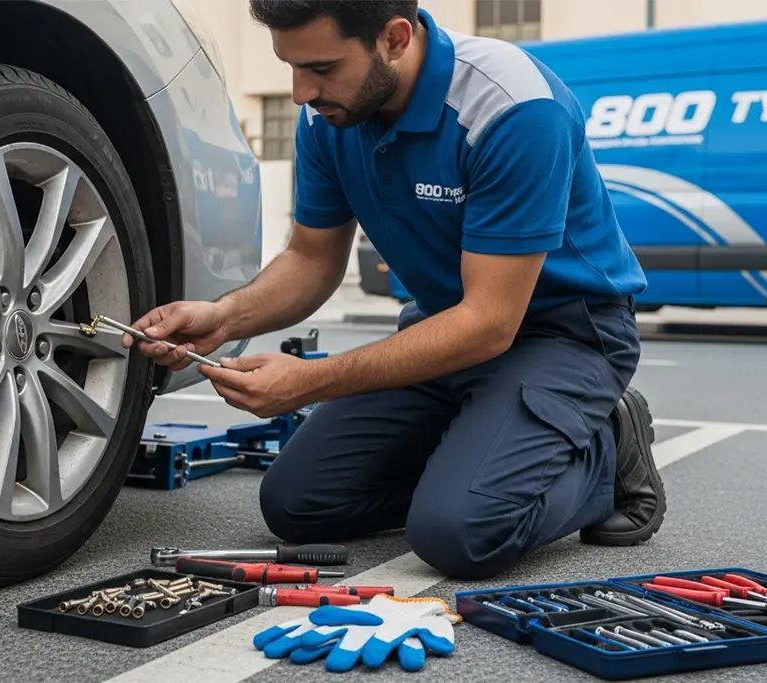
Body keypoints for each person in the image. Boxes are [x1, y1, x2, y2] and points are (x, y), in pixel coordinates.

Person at [122, 0, 666, 580]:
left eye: (323, 68)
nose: (301, 93)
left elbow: (489, 322)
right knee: (297, 504)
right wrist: (224, 317)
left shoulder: (514, 109)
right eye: (290, 66)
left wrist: (307, 382)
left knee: (462, 534)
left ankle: (606, 451)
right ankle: (477, 467)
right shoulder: (328, 119)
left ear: (395, 38)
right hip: (442, 328)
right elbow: (311, 258)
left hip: (563, 335)